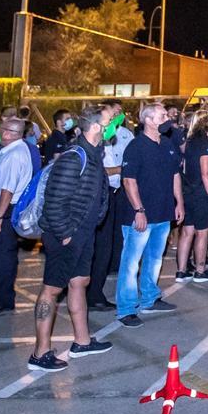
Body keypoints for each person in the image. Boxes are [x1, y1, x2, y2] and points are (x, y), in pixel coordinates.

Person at [30, 105, 112, 372]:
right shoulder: (73, 157)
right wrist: (65, 233)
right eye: (109, 121)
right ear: (97, 126)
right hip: (65, 235)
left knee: (79, 282)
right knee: (52, 289)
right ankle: (40, 353)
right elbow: (54, 202)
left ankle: (82, 341)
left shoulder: (93, 153)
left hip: (83, 233)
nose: (113, 125)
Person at [116, 103, 183, 328]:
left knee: (155, 259)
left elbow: (175, 174)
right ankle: (126, 308)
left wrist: (179, 202)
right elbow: (128, 180)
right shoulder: (136, 147)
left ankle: (149, 297)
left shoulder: (167, 144)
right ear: (149, 120)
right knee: (131, 262)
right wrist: (139, 210)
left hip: (163, 212)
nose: (167, 118)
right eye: (162, 115)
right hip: (140, 215)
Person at [0, 117, 32, 316]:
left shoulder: (14, 155)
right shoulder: (11, 151)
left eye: (1, 129)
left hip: (6, 210)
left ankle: (2, 300)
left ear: (10, 133)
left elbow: (7, 190)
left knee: (1, 257)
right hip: (4, 208)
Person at [87, 99, 132, 312]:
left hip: (115, 193)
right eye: (110, 117)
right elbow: (95, 172)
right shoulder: (87, 147)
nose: (115, 120)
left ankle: (95, 292)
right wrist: (117, 170)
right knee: (97, 249)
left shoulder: (122, 135)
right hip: (96, 198)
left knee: (108, 245)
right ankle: (92, 295)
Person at [176, 111, 208, 283]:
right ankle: (200, 269)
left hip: (188, 190)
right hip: (201, 192)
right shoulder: (205, 145)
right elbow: (206, 171)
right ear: (207, 128)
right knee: (202, 232)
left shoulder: (190, 141)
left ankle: (181, 270)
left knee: (187, 232)